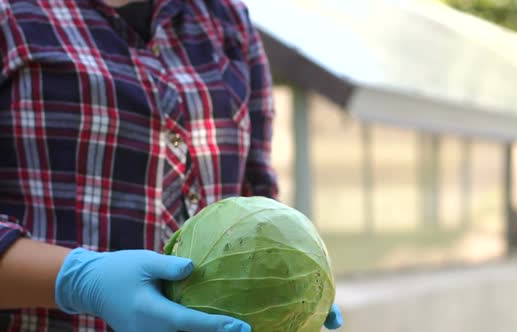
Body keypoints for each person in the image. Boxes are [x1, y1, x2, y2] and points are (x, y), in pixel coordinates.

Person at [0, 0, 344, 331]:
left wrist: (288, 288)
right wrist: (77, 280)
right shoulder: (12, 14)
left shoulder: (227, 20)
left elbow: (256, 195)